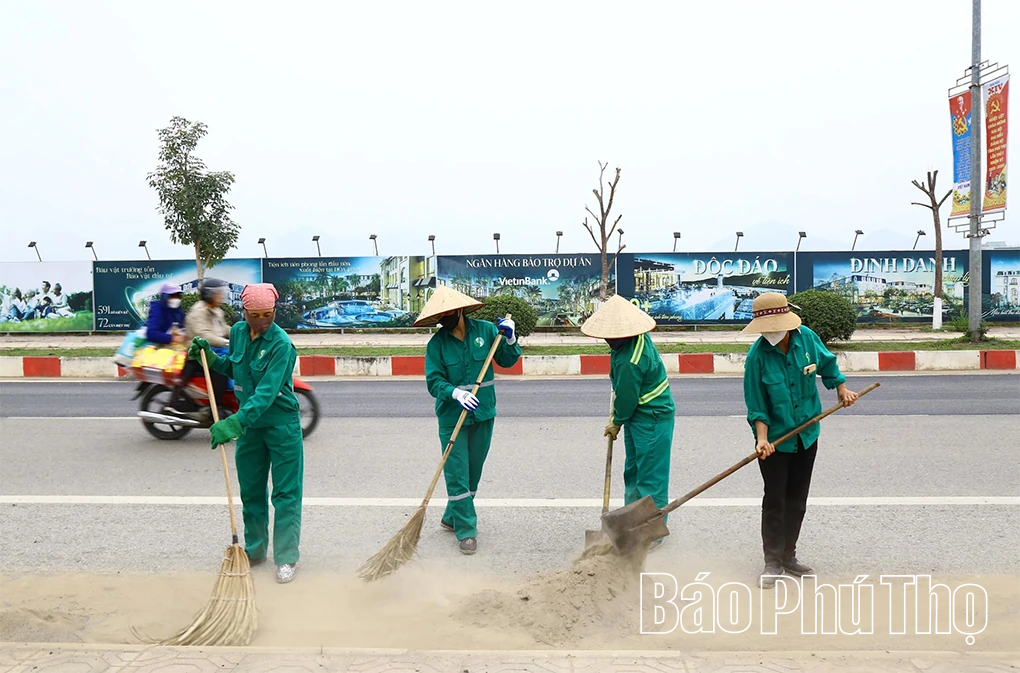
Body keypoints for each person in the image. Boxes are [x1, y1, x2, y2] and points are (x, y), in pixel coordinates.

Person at [188, 282, 304, 584]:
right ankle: (255, 550)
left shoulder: (282, 345)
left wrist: (235, 423)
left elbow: (265, 393)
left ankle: (287, 557)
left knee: (285, 494)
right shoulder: (238, 332)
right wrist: (211, 360)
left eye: (268, 314)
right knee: (251, 491)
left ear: (275, 312)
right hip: (250, 428)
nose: (262, 320)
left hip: (281, 425)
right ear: (245, 312)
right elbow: (235, 368)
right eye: (256, 314)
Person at [741, 292, 858, 589]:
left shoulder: (806, 338)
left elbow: (828, 364)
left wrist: (841, 389)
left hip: (807, 434)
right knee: (775, 500)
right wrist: (763, 439)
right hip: (777, 443)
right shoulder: (757, 357)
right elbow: (757, 404)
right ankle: (772, 561)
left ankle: (789, 555)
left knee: (797, 500)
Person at [417, 286, 521, 555]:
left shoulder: (487, 331)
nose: (444, 319)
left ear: (459, 310)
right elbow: (434, 382)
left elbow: (508, 361)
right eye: (440, 316)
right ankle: (466, 530)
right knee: (457, 473)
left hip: (483, 412)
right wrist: (454, 392)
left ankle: (452, 516)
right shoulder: (437, 344)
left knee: (473, 473)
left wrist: (510, 339)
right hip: (452, 417)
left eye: (448, 313)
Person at [580, 295, 675, 552]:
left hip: (652, 417)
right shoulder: (635, 338)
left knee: (650, 478)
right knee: (633, 471)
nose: (607, 340)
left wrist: (616, 422)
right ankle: (630, 522)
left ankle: (651, 532)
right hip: (639, 415)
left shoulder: (629, 360)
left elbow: (627, 399)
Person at [167, 278, 232, 417]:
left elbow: (223, 329)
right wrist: (226, 343)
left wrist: (242, 333)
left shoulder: (216, 310)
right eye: (218, 293)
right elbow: (205, 336)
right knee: (221, 369)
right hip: (197, 352)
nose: (221, 296)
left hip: (213, 349)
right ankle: (216, 407)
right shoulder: (198, 312)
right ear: (209, 295)